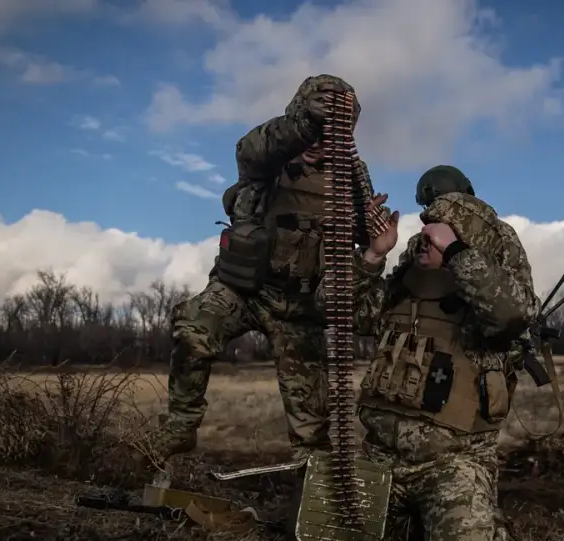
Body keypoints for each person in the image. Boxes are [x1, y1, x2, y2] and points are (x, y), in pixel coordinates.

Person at [150, 74, 388, 474]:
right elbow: (252, 149)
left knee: (313, 430)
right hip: (246, 290)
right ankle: (180, 423)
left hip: (301, 310)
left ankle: (317, 504)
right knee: (193, 326)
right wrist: (306, 123)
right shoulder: (270, 159)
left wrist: (374, 236)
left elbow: (362, 239)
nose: (319, 142)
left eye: (331, 133)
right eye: (315, 130)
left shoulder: (350, 178)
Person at [347, 166, 540, 541]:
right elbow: (354, 316)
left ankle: (452, 522)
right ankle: (411, 521)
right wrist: (373, 255)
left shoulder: (495, 248)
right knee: (327, 534)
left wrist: (455, 251)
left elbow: (511, 315)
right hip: (381, 454)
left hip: (453, 460)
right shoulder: (411, 262)